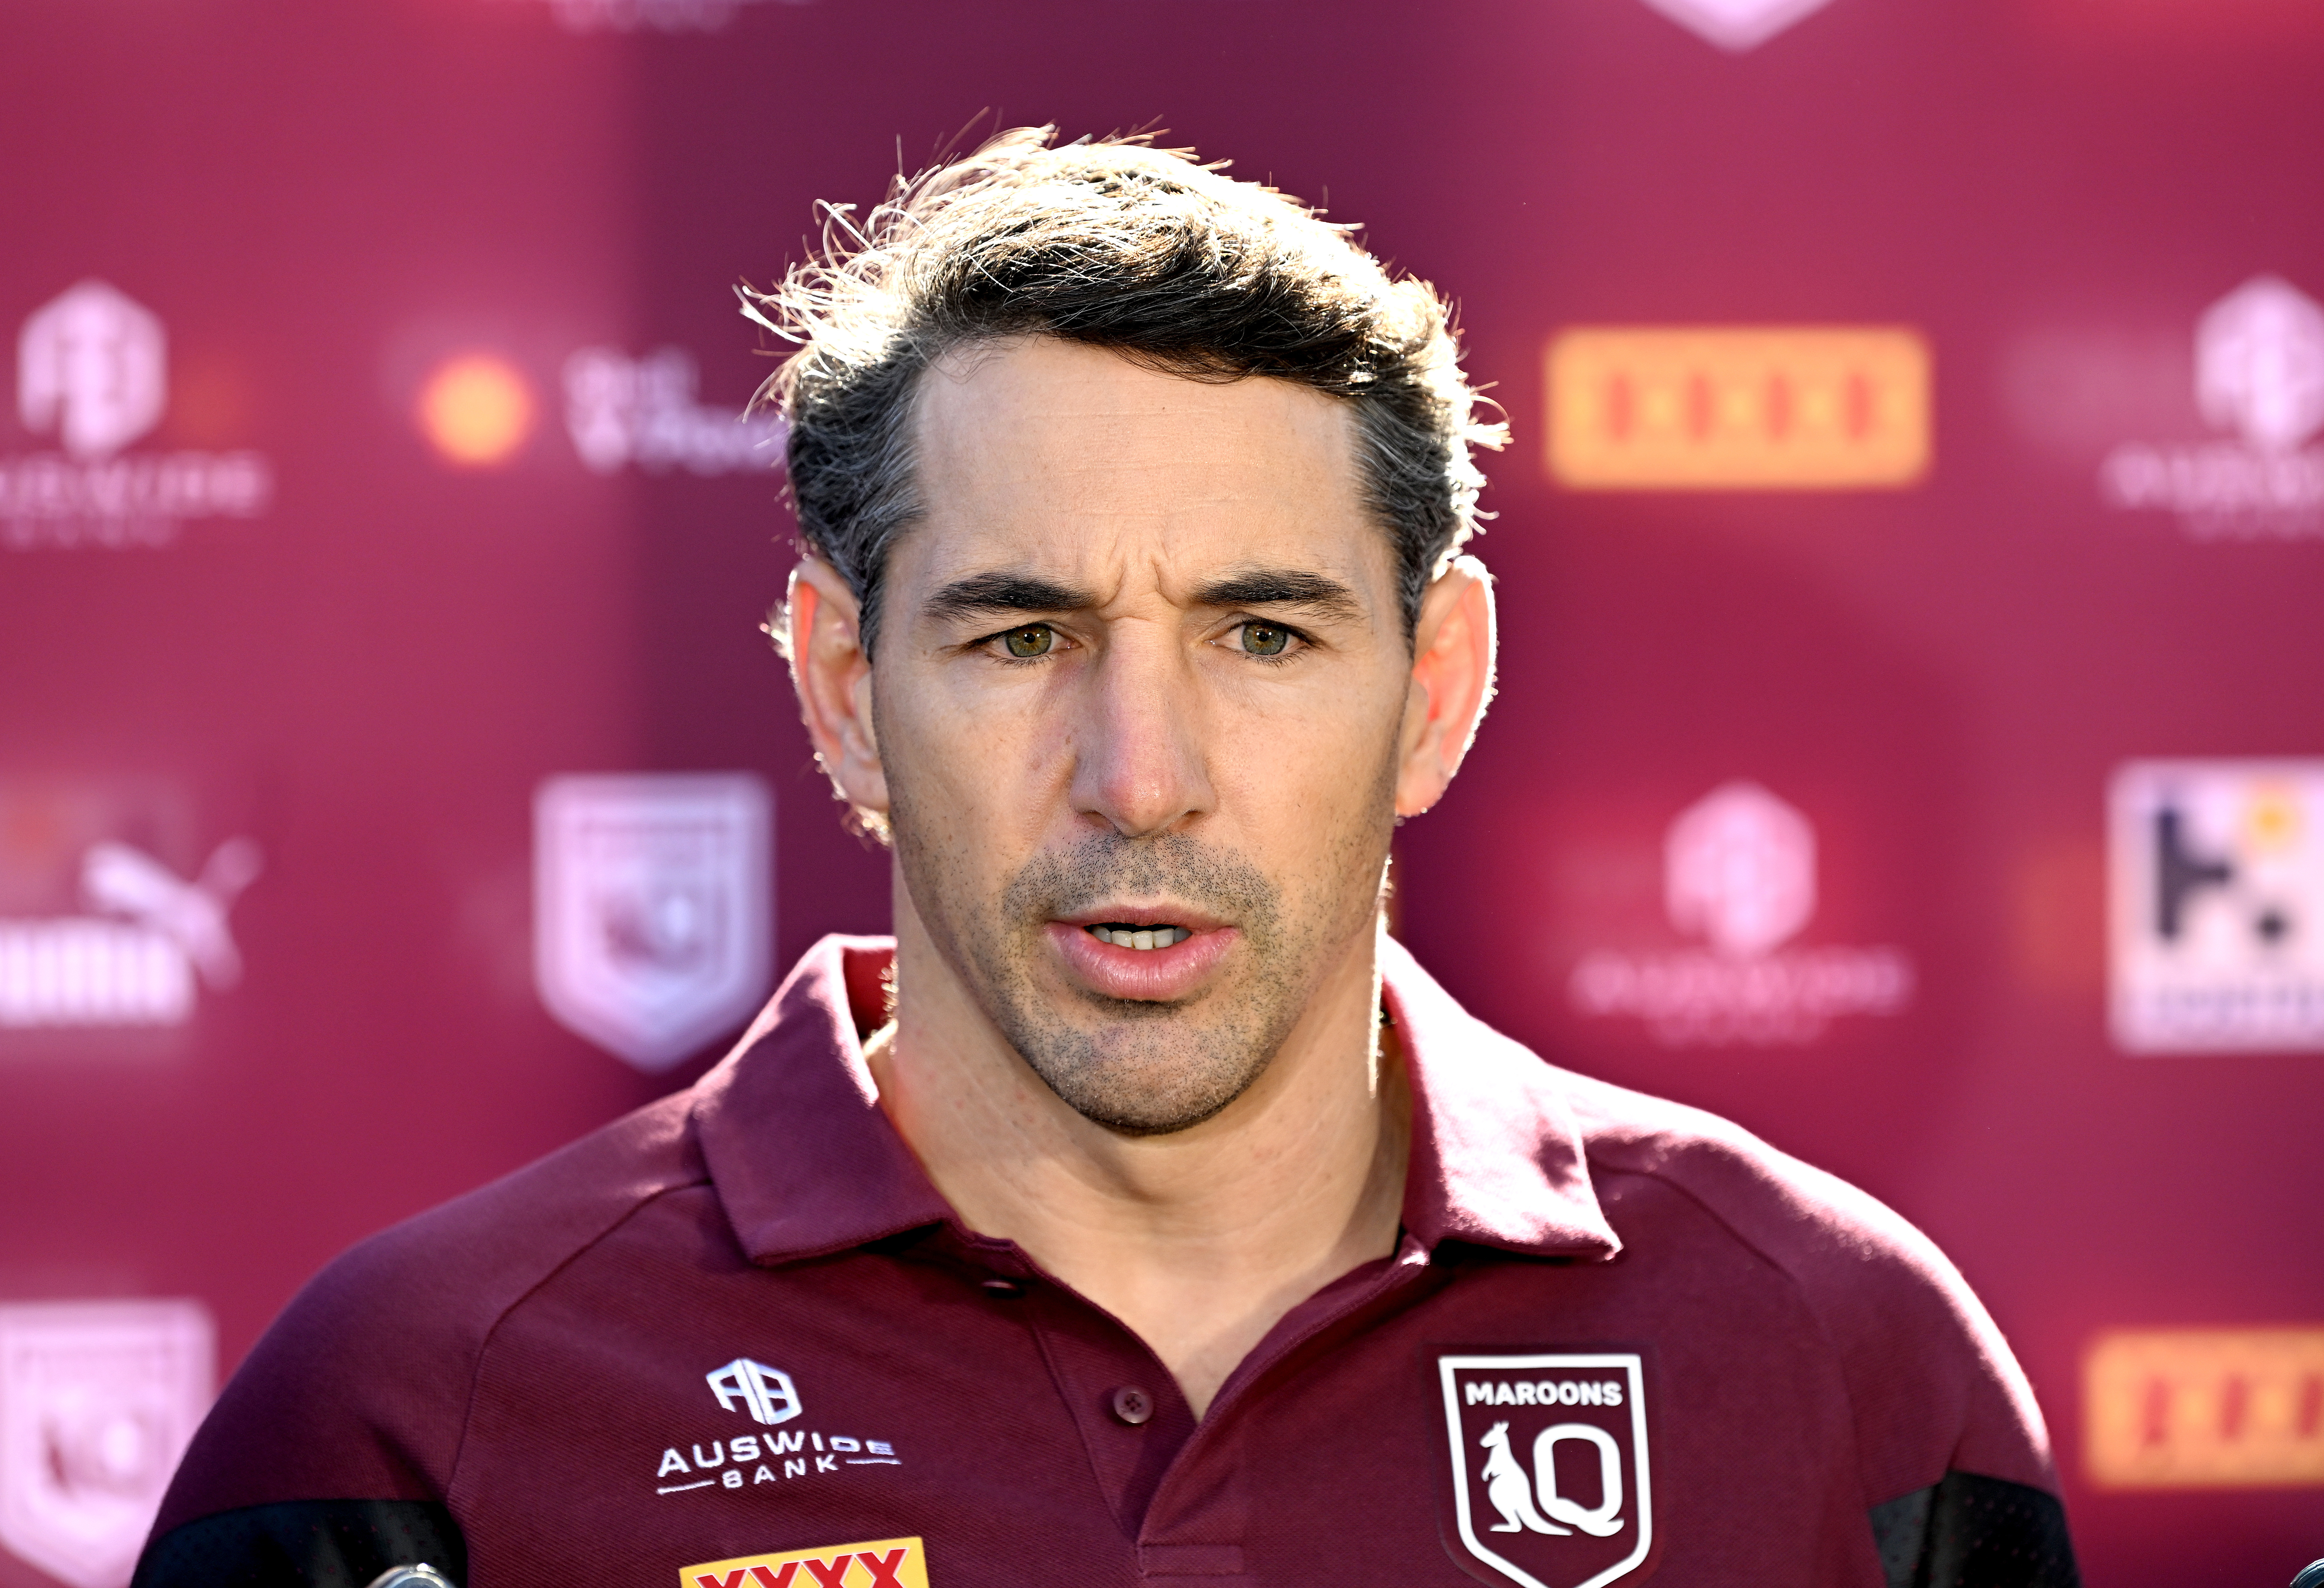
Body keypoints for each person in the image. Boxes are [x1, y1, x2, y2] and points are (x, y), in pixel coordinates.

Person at [138, 129, 2077, 1588]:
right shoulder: (416, 1401)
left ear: (1434, 688)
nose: (1139, 778)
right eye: (1017, 635)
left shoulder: (1829, 1349)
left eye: (1263, 634)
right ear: (839, 687)